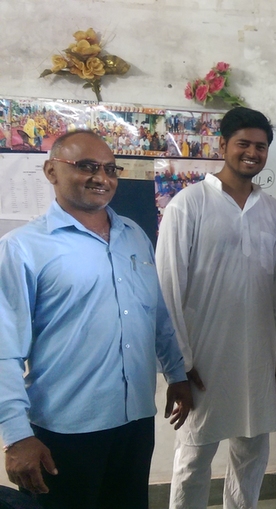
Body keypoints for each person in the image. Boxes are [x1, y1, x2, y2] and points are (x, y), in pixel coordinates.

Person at [0, 130, 192, 509]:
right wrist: (16, 434)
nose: (101, 178)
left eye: (109, 168)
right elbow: (4, 350)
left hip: (135, 420)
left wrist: (177, 374)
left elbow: (156, 315)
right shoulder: (22, 248)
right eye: (85, 166)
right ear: (51, 170)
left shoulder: (134, 235)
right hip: (66, 430)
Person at [156, 107, 276, 509]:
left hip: (256, 348)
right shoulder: (188, 204)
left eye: (261, 146)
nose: (252, 153)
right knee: (195, 452)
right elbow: (168, 288)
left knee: (252, 448)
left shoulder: (270, 208)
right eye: (243, 144)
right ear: (222, 146)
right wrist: (177, 363)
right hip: (203, 353)